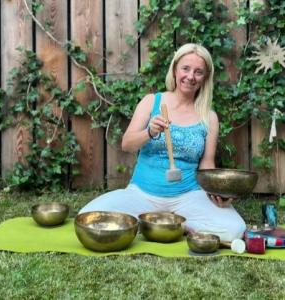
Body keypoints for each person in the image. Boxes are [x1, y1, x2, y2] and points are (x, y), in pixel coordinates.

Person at [78, 43, 246, 242]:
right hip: (142, 194)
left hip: (189, 195)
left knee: (235, 229)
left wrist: (216, 191)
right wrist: (149, 132)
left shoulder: (208, 117)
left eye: (198, 72)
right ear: (175, 70)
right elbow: (127, 144)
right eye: (185, 68)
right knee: (88, 216)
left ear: (205, 78)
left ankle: (164, 224)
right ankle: (172, 224)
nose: (190, 76)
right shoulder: (151, 102)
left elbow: (207, 164)